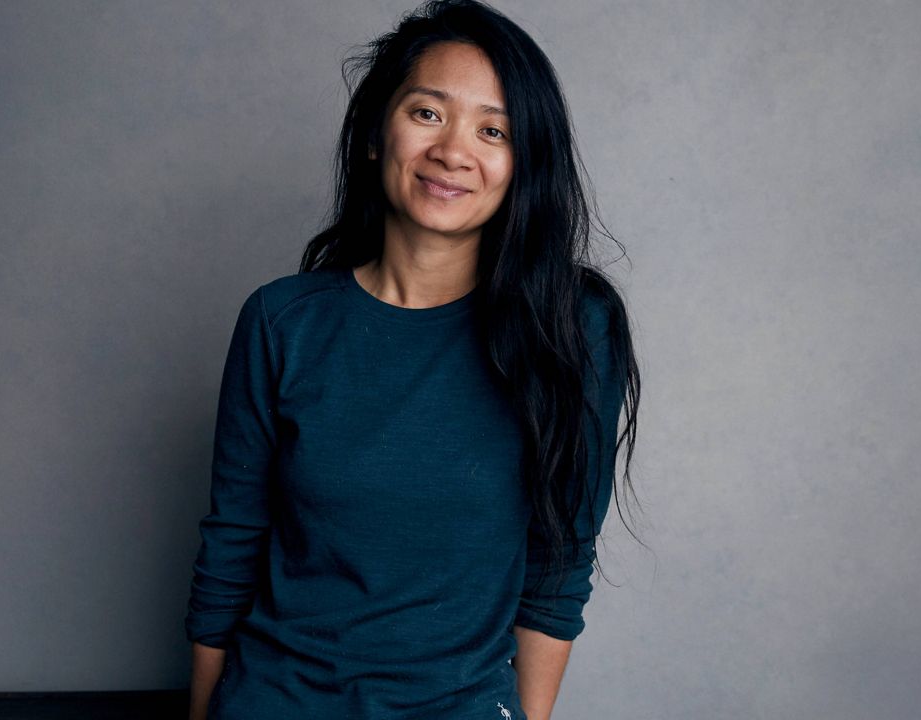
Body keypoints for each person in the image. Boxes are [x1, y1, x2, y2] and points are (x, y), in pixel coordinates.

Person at [185, 1, 641, 718]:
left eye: (493, 130)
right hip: (274, 699)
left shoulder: (572, 328)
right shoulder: (282, 321)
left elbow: (559, 563)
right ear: (375, 132)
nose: (454, 151)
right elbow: (232, 545)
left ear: (522, 166)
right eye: (429, 113)